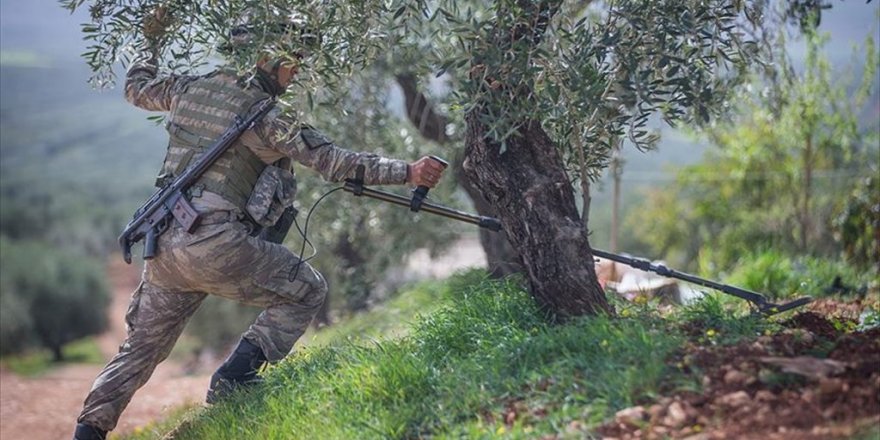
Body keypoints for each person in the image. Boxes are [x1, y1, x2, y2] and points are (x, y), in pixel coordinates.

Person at [71, 15, 447, 440]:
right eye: (292, 60)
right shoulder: (267, 115)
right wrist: (409, 170)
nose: (297, 70)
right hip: (217, 242)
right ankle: (234, 377)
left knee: (139, 349)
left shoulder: (187, 88)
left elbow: (136, 86)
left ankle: (88, 432)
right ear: (265, 58)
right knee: (307, 290)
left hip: (164, 246)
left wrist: (150, 39)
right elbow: (335, 162)